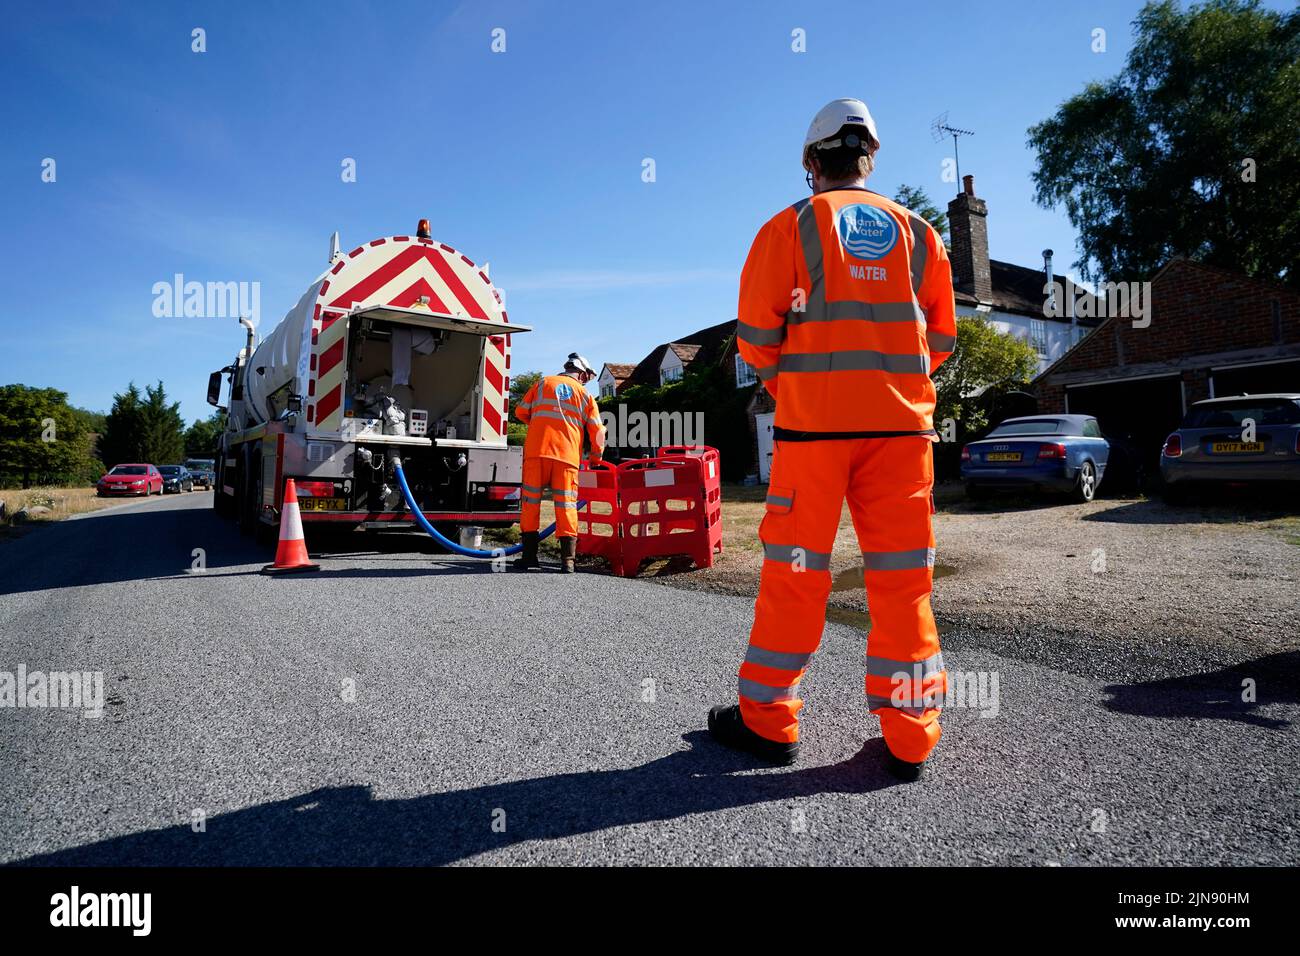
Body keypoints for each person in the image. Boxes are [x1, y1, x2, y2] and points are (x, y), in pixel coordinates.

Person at [707, 98, 958, 781]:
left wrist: (809, 377)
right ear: (869, 159)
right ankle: (911, 736)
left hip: (814, 431)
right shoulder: (921, 234)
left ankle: (768, 723)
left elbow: (757, 340)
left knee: (796, 576)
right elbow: (940, 340)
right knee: (904, 583)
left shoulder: (788, 227)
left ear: (812, 164)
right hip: (903, 429)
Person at [513, 353, 606, 573]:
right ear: (582, 373)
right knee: (566, 505)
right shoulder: (585, 394)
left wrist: (538, 425)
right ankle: (567, 562)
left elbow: (520, 412)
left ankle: (529, 558)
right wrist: (596, 458)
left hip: (537, 452)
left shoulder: (543, 383)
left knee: (530, 503)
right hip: (567, 457)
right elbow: (598, 431)